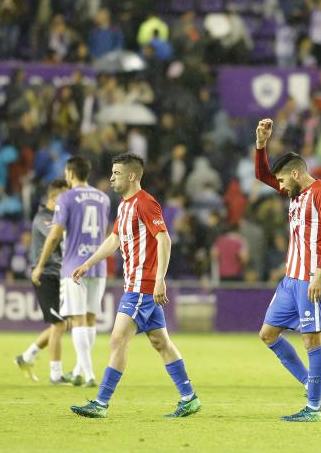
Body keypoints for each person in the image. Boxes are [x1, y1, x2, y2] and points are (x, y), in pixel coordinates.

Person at [69, 153, 201, 418]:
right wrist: (88, 263)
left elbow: (164, 240)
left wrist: (160, 279)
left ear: (131, 176)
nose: (111, 177)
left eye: (116, 173)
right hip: (138, 284)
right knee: (160, 342)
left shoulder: (145, 203)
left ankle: (101, 403)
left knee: (118, 339)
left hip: (144, 285)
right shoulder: (125, 205)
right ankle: (189, 398)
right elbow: (114, 240)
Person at [255, 118, 321, 422]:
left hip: (310, 279)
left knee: (311, 340)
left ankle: (314, 408)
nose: (278, 186)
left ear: (295, 174)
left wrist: (319, 272)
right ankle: (311, 383)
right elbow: (261, 174)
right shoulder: (295, 194)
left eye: (281, 181)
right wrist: (261, 144)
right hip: (290, 280)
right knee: (267, 334)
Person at [32, 156, 110, 387]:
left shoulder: (66, 198)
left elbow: (55, 235)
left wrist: (40, 265)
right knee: (91, 318)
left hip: (74, 265)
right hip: (98, 264)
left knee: (77, 319)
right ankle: (78, 370)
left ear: (70, 173)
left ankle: (89, 374)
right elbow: (103, 232)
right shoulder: (103, 198)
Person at [15, 179, 70, 384]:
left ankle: (26, 356)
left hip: (58, 274)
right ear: (54, 198)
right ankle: (56, 374)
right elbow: (57, 236)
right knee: (59, 324)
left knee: (62, 324)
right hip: (45, 274)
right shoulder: (43, 218)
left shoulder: (57, 216)